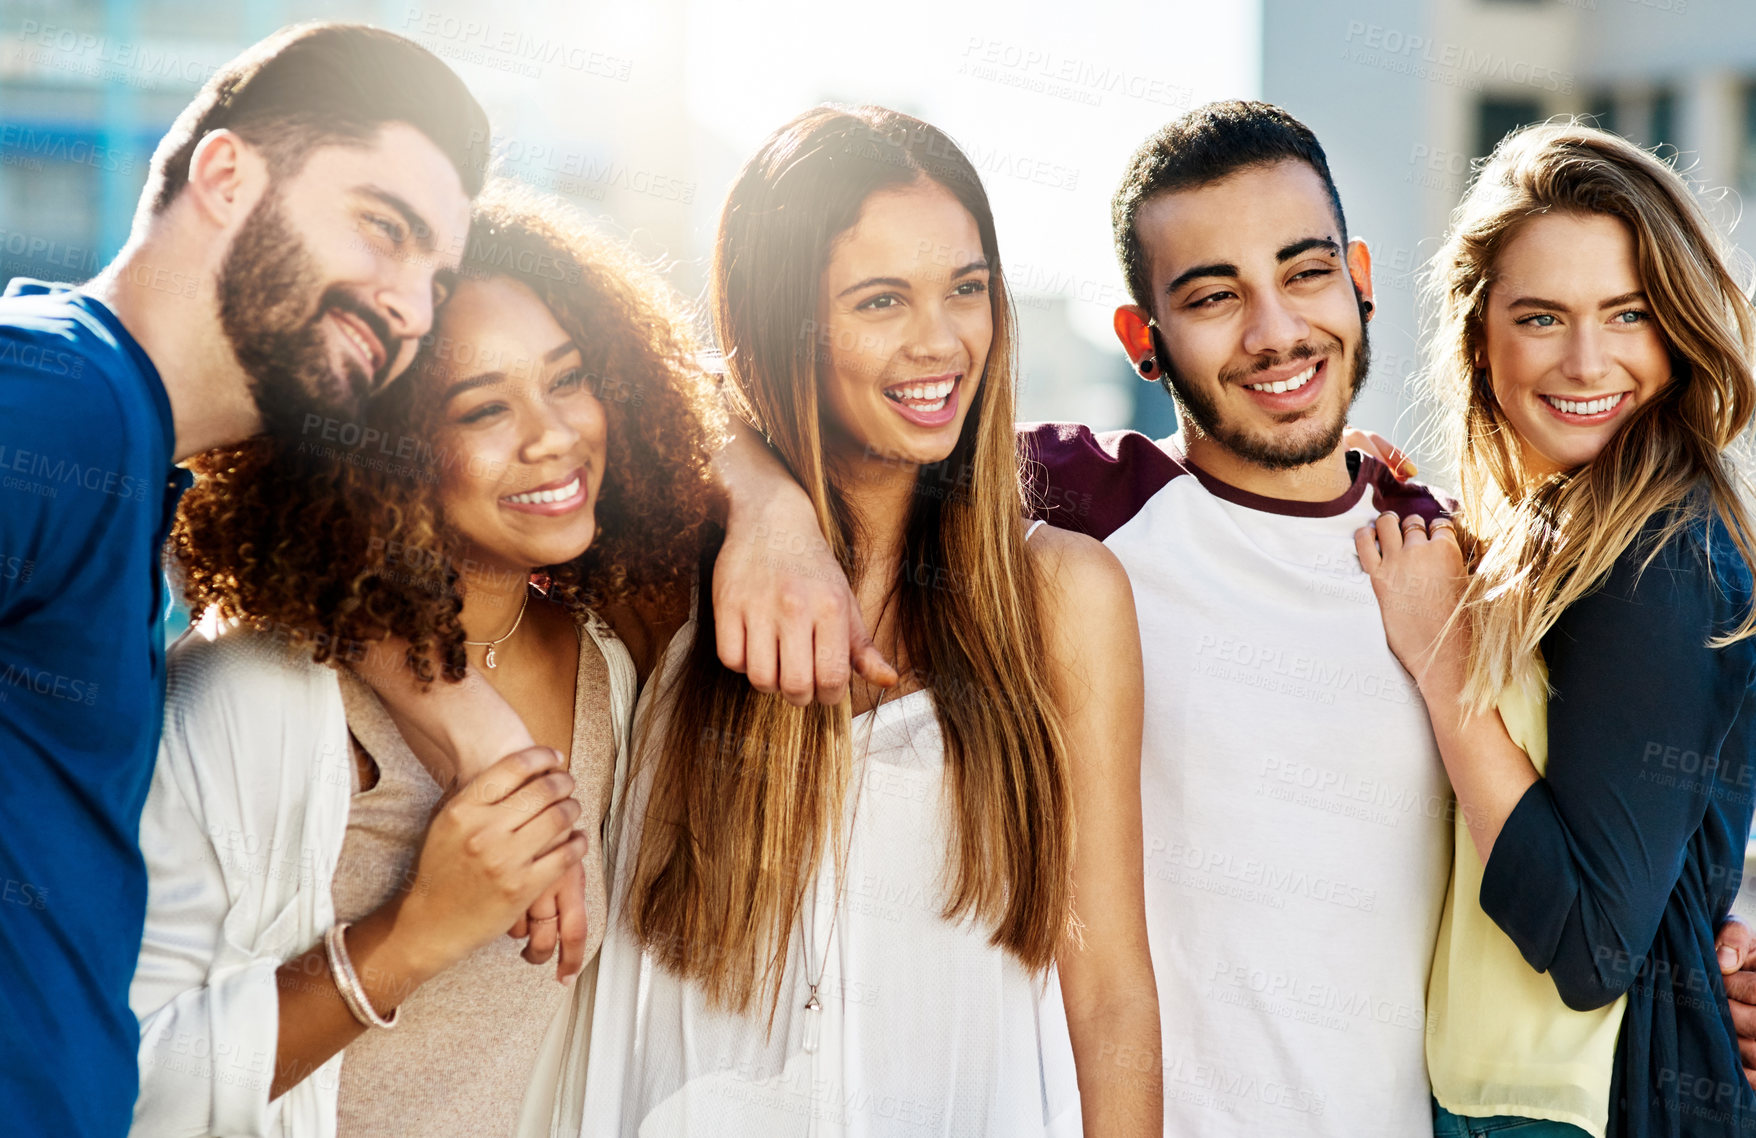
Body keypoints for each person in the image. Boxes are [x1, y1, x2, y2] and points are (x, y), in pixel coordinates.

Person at [582, 105, 1162, 1137]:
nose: (939, 342)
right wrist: (759, 503)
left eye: (966, 290)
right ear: (780, 320)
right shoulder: (667, 574)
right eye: (879, 299)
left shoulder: (1061, 596)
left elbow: (1109, 987)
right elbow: (564, 339)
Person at [129, 182, 721, 1136]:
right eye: (484, 409)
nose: (554, 436)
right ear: (383, 452)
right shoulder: (256, 690)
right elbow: (119, 1082)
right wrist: (412, 936)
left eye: (567, 379)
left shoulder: (609, 674)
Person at [0, 25, 484, 1135]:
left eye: (435, 277)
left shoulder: (121, 452)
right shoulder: (61, 394)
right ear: (225, 176)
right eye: (381, 227)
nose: (410, 306)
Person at [1360, 122, 1756, 1137]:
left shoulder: (1657, 554)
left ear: (1673, 329)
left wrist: (1444, 670)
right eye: (1540, 317)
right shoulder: (1569, 532)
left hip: (1578, 1111)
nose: (1587, 362)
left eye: (1625, 313)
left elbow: (1589, 947)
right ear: (1477, 336)